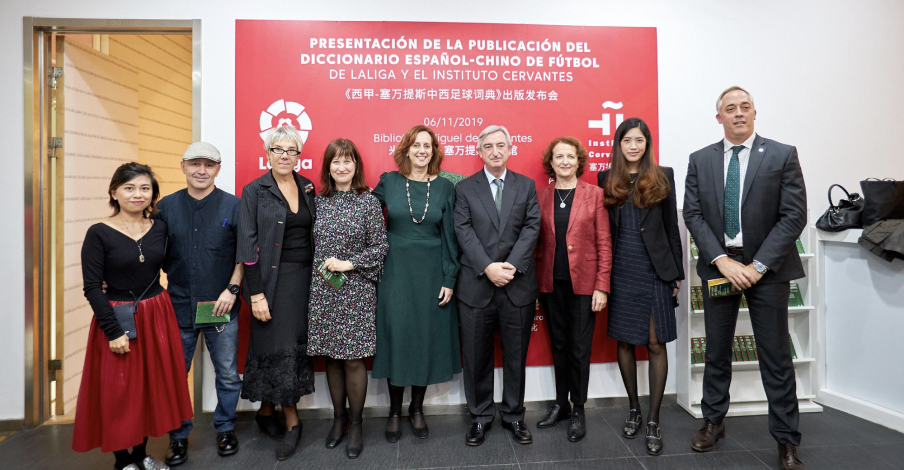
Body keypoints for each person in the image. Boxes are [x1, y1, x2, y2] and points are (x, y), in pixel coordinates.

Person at [684, 87, 807, 470]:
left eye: (745, 107)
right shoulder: (700, 159)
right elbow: (693, 215)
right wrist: (722, 260)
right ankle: (713, 422)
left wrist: (757, 267)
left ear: (755, 112)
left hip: (766, 272)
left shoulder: (782, 154)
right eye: (730, 109)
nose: (738, 114)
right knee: (716, 351)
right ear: (718, 116)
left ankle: (786, 440)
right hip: (721, 268)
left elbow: (794, 216)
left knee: (775, 356)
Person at [73, 162, 192, 470]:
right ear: (114, 192)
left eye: (144, 188)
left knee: (149, 389)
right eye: (129, 188)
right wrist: (112, 331)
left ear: (152, 194)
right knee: (119, 391)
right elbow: (92, 288)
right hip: (117, 317)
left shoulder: (159, 228)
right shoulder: (98, 233)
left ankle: (141, 456)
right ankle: (122, 461)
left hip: (157, 314)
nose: (137, 194)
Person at [598, 118, 684, 455]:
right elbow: (604, 232)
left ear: (647, 143)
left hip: (655, 270)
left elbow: (670, 228)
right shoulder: (607, 179)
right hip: (621, 268)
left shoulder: (663, 175)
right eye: (627, 141)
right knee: (625, 339)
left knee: (655, 342)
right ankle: (633, 407)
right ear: (619, 145)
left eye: (640, 140)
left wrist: (675, 271)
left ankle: (653, 418)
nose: (634, 146)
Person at [371, 125, 461, 443]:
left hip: (432, 273)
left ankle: (416, 409)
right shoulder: (389, 182)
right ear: (406, 149)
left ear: (434, 151)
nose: (422, 150)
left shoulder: (446, 188)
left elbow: (451, 237)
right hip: (394, 272)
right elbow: (364, 216)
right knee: (398, 336)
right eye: (416, 145)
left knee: (424, 338)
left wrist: (450, 278)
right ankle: (395, 411)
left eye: (428, 146)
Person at [155, 142, 243, 466]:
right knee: (176, 374)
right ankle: (178, 437)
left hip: (221, 306)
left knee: (228, 374)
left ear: (218, 169)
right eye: (195, 164)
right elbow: (152, 255)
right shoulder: (164, 208)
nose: (201, 170)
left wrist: (232, 290)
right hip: (177, 306)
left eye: (209, 164)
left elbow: (244, 254)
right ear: (183, 166)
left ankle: (225, 428)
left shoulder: (234, 206)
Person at [454, 125, 541, 446]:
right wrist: (488, 267)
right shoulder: (464, 189)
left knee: (516, 355)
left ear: (510, 148)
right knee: (476, 357)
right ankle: (479, 417)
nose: (494, 151)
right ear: (479, 152)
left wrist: (511, 266)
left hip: (516, 286)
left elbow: (532, 227)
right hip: (477, 286)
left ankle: (514, 415)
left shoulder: (526, 186)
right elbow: (463, 231)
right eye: (488, 146)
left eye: (500, 145)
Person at [236, 125, 316, 461]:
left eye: (291, 151)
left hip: (306, 280)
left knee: (289, 345)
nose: (285, 156)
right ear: (267, 153)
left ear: (299, 155)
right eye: (278, 150)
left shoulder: (307, 187)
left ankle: (266, 412)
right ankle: (293, 422)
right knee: (279, 348)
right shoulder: (255, 190)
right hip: (271, 281)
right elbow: (247, 245)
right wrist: (255, 294)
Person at [307, 138, 388, 459]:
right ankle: (337, 418)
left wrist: (349, 263)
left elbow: (380, 247)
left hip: (356, 288)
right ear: (328, 167)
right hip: (324, 290)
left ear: (356, 166)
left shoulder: (367, 202)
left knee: (353, 358)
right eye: (336, 162)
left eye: (348, 162)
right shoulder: (317, 202)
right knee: (331, 356)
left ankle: (356, 423)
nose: (342, 167)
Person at [535, 136, 612, 442]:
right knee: (559, 346)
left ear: (579, 161)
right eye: (558, 157)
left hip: (584, 284)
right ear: (550, 163)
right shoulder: (541, 195)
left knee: (580, 349)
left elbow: (605, 243)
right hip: (551, 284)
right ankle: (560, 404)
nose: (565, 161)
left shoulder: (595, 195)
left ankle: (578, 408)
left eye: (570, 156)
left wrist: (602, 286)